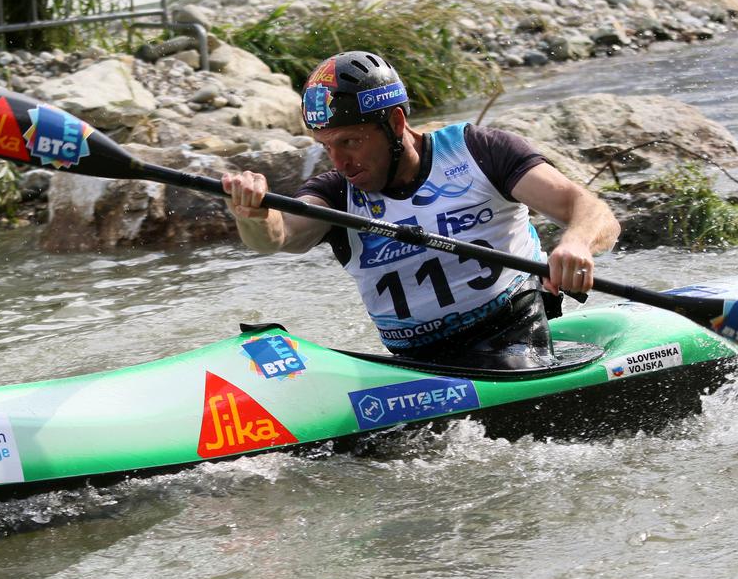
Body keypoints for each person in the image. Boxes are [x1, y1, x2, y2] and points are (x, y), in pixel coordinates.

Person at [221, 50, 620, 370]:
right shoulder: (336, 194)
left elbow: (589, 210)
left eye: (351, 142)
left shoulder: (479, 151)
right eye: (327, 146)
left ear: (396, 123)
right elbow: (279, 236)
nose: (340, 162)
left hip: (514, 343)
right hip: (413, 365)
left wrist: (576, 244)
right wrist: (253, 213)